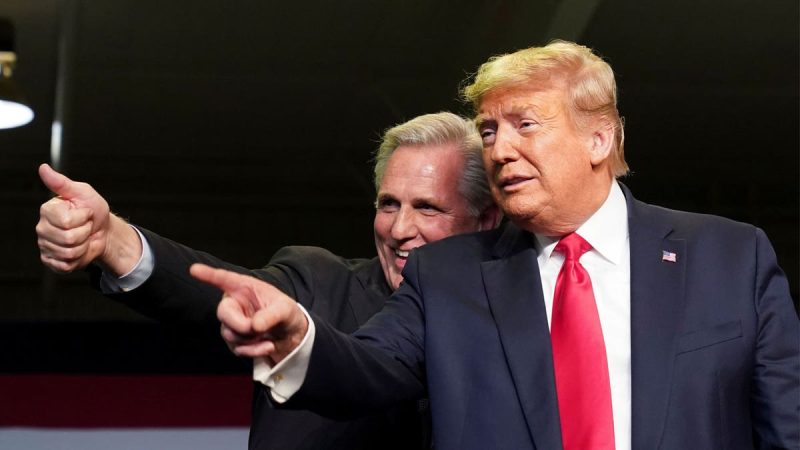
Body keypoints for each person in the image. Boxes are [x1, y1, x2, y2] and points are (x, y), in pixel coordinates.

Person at [191, 41, 800, 450]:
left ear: (598, 138)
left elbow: (785, 427)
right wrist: (298, 338)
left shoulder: (730, 257)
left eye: (525, 125)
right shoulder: (446, 276)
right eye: (488, 131)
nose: (501, 150)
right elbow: (366, 370)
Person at [36, 112, 501, 449]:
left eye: (427, 208)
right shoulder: (318, 283)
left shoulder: (520, 322)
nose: (398, 229)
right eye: (388, 204)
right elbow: (222, 297)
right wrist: (113, 242)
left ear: (485, 220)